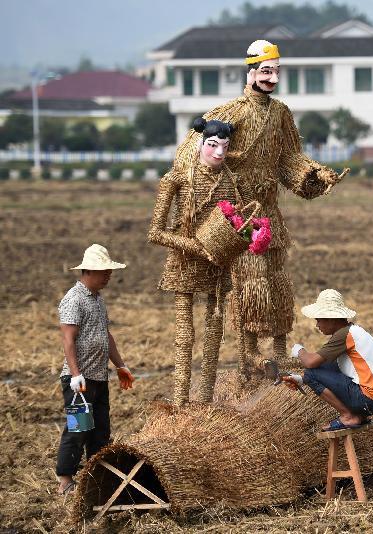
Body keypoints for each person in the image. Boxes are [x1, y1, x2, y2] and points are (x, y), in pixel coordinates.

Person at [172, 39, 346, 379]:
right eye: (266, 71)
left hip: (271, 214)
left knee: (279, 286)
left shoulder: (281, 114)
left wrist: (312, 175)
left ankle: (280, 358)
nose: (271, 78)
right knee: (252, 287)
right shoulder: (227, 114)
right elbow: (192, 154)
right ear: (251, 73)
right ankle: (250, 361)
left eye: (276, 72)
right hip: (242, 216)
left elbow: (289, 159)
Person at [148, 118, 240, 405]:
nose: (219, 153)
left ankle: (204, 401)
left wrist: (244, 237)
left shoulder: (231, 181)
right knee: (185, 334)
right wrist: (195, 247)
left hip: (218, 265)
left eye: (224, 147)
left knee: (214, 330)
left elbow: (237, 221)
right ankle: (179, 402)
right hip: (184, 263)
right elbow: (155, 232)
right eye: (212, 145)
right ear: (202, 143)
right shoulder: (178, 178)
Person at [56, 244, 135, 495]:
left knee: (100, 431)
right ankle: (65, 480)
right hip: (79, 379)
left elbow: (106, 336)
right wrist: (76, 374)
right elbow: (68, 339)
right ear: (88, 272)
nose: (108, 276)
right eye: (104, 272)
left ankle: (97, 478)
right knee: (78, 428)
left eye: (109, 271)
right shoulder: (73, 299)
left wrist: (120, 365)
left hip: (99, 377)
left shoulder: (99, 300)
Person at [284, 289, 373, 431]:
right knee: (325, 365)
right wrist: (301, 379)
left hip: (367, 400)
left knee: (312, 371)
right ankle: (358, 415)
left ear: (331, 319)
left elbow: (310, 362)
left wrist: (298, 350)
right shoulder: (353, 331)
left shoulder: (344, 335)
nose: (317, 325)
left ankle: (347, 416)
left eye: (319, 320)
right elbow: (328, 368)